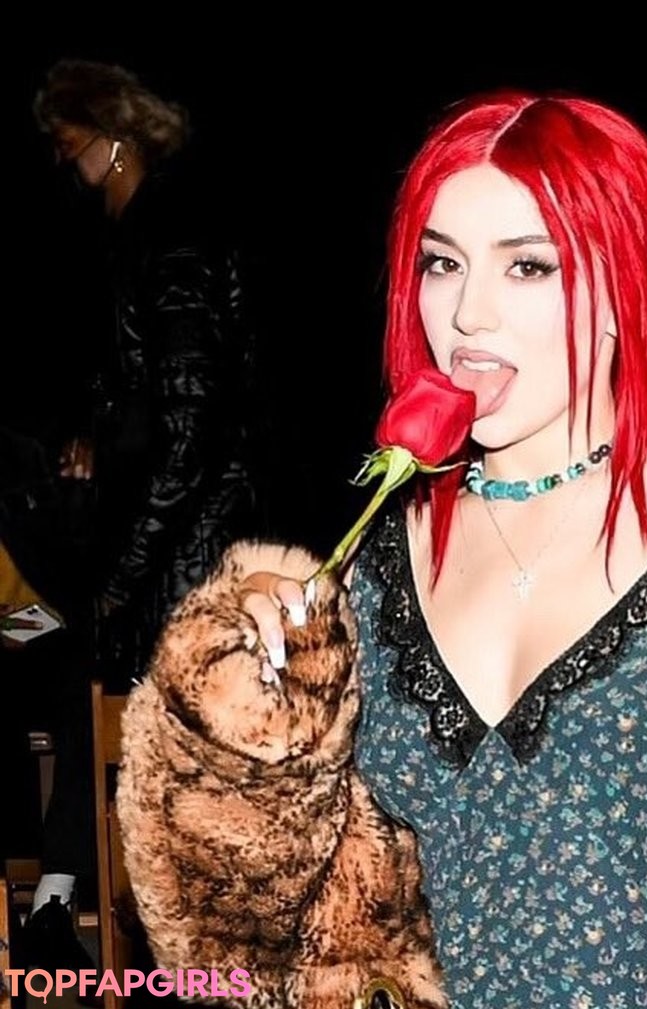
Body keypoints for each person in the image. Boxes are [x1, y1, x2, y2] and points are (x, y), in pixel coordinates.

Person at [230, 92, 647, 1006]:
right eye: (443, 263)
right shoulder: (375, 562)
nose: (468, 313)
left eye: (528, 266)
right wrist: (243, 687)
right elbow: (287, 911)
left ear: (627, 287)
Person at [24, 58, 258, 975]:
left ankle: (89, 920)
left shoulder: (172, 240)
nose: (63, 164)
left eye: (67, 143)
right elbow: (154, 406)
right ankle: (62, 906)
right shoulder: (147, 238)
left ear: (112, 137)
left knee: (146, 738)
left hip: (189, 563)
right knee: (74, 682)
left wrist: (125, 578)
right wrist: (102, 438)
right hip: (170, 550)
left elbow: (195, 429)